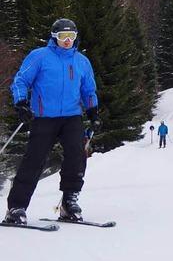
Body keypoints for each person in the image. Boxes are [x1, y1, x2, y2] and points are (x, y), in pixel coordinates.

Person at [3, 18, 100, 225]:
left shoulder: (81, 61)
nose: (67, 41)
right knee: (35, 160)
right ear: (54, 37)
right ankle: (16, 207)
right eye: (63, 37)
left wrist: (93, 112)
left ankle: (68, 203)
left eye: (71, 36)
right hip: (44, 117)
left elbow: (89, 90)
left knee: (76, 157)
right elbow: (21, 80)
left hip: (72, 117)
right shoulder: (39, 56)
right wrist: (21, 102)